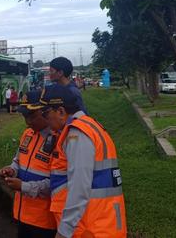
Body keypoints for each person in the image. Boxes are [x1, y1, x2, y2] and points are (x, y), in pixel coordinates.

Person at [39, 85, 126, 238]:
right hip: (102, 221)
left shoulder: (77, 134)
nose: (44, 120)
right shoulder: (90, 125)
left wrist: (64, 231)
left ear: (61, 111)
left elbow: (79, 186)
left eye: (45, 114)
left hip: (90, 227)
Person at [0, 91, 57, 238]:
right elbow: (18, 161)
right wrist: (11, 169)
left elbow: (59, 183)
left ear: (45, 112)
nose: (28, 122)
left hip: (45, 220)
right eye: (25, 116)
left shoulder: (58, 140)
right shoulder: (27, 134)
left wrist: (23, 187)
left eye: (32, 116)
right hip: (22, 214)